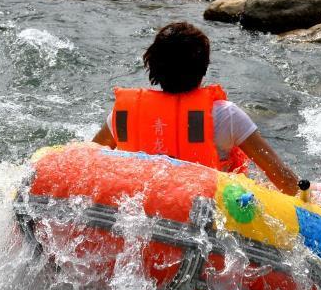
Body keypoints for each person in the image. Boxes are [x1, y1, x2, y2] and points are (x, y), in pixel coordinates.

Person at [92, 22, 300, 195]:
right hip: (204, 217)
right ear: (204, 68)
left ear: (152, 66)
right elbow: (285, 181)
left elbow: (87, 160)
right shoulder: (225, 116)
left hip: (139, 210)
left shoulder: (123, 116)